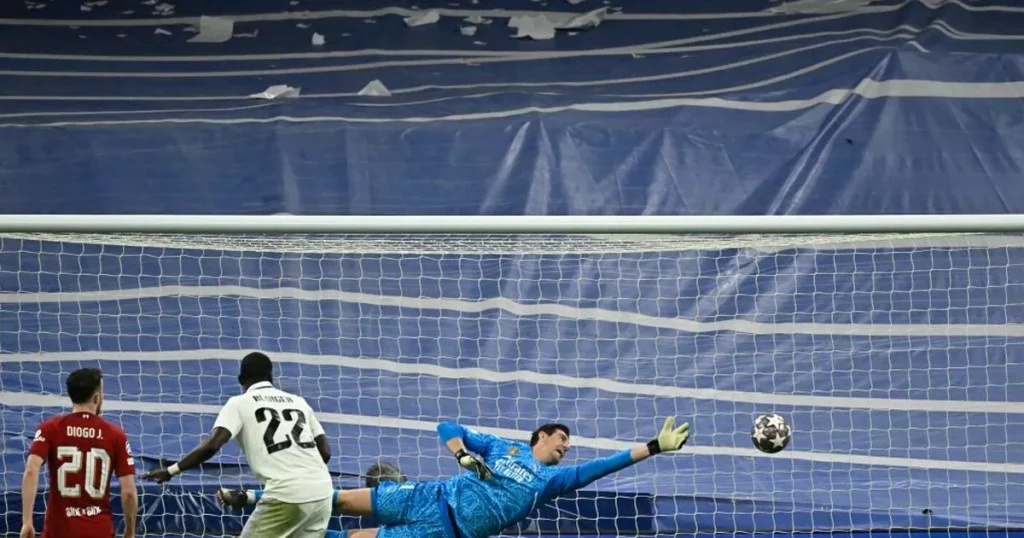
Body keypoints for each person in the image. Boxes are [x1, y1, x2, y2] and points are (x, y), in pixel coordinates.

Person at [220, 417, 690, 538]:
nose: (567, 447)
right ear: (543, 436)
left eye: (568, 445)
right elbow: (448, 428)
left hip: (443, 532)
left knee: (355, 536)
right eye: (562, 439)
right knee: (339, 498)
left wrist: (652, 446)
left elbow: (605, 465)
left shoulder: (553, 482)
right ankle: (250, 494)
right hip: (427, 496)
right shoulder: (503, 446)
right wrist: (463, 454)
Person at [142, 351, 335, 538]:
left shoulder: (239, 403)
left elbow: (212, 445)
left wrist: (170, 471)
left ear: (241, 380)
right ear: (271, 376)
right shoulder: (299, 402)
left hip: (286, 495)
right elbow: (325, 453)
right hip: (323, 492)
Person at [20, 367, 137, 538]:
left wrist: (27, 522)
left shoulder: (50, 428)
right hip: (99, 531)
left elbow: (31, 470)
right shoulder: (115, 435)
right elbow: (128, 492)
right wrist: (130, 532)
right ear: (97, 398)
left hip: (59, 531)